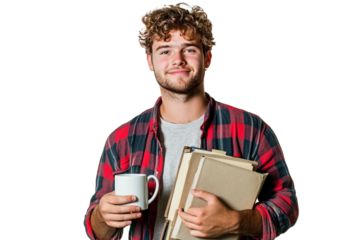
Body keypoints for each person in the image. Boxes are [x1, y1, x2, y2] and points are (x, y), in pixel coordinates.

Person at [83, 1, 300, 240]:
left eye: (189, 49)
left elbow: (287, 205)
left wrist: (235, 222)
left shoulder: (252, 129)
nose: (178, 59)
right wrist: (103, 217)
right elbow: (96, 227)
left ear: (208, 59)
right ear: (150, 63)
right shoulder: (120, 138)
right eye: (165, 51)